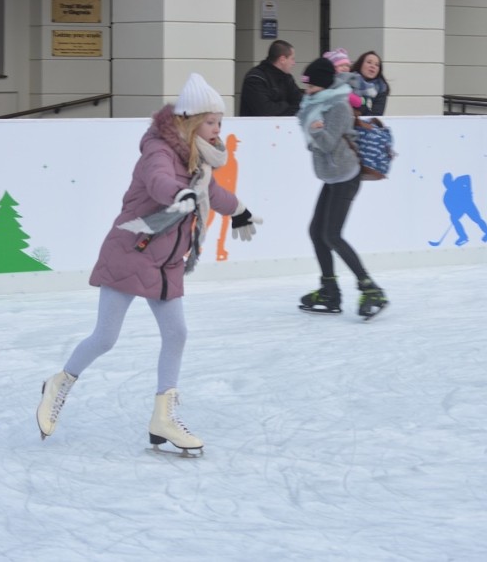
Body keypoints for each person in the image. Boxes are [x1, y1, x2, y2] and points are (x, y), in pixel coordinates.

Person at [36, 73, 263, 455]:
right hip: (132, 251)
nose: (216, 129)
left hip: (167, 262)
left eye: (220, 122)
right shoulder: (158, 150)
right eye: (210, 122)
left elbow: (213, 192)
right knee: (105, 337)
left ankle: (163, 419)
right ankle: (59, 383)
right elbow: (158, 181)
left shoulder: (198, 160)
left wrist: (239, 211)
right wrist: (179, 193)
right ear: (189, 120)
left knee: (177, 334)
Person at [296, 57, 388, 320]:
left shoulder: (338, 106)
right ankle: (329, 289)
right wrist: (314, 131)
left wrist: (314, 131)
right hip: (331, 176)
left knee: (332, 235)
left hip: (346, 176)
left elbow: (325, 143)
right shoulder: (317, 104)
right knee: (316, 231)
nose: (307, 92)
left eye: (311, 86)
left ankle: (371, 289)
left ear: (323, 85)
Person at [239, 39, 303, 116]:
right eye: (292, 59)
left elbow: (300, 103)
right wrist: (287, 104)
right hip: (256, 127)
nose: (294, 63)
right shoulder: (255, 78)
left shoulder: (287, 78)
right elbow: (265, 111)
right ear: (282, 59)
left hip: (284, 126)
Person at [349, 50, 390, 116]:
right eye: (369, 62)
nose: (373, 66)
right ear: (360, 64)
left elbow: (377, 115)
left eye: (376, 65)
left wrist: (361, 107)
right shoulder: (348, 80)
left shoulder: (381, 88)